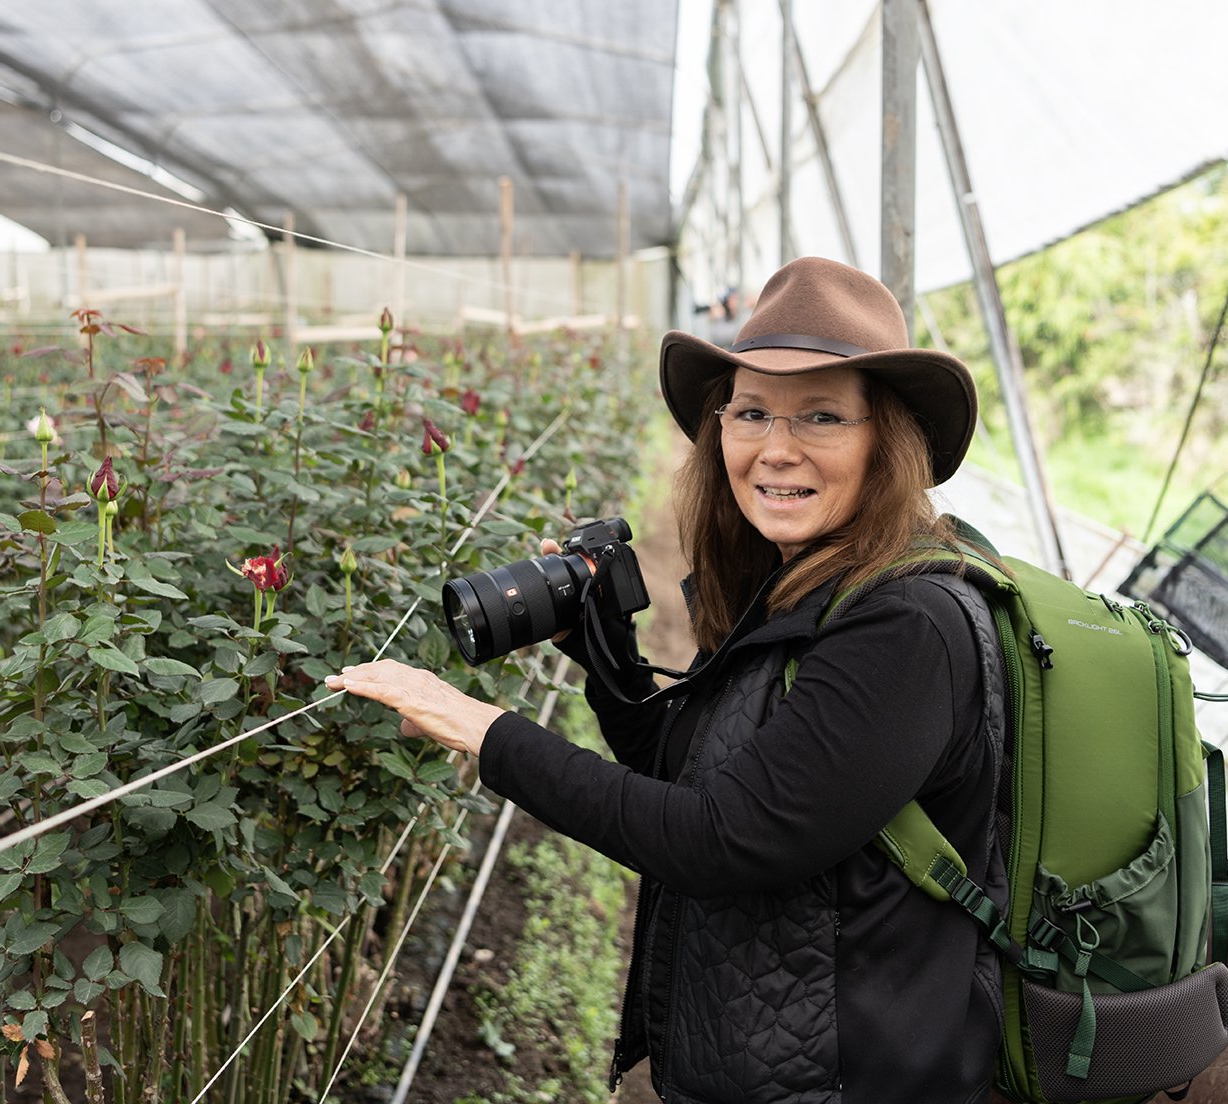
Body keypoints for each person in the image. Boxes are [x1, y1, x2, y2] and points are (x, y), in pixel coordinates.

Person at [326, 256, 1008, 1103]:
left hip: (853, 1080)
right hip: (768, 1060)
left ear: (888, 440)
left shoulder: (904, 626)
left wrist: (481, 729)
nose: (774, 449)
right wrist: (602, 647)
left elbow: (719, 837)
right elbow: (687, 770)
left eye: (822, 417)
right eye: (750, 412)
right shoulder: (808, 580)